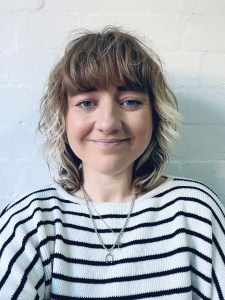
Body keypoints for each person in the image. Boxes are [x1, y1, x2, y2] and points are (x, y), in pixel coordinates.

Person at [0, 26, 224, 300]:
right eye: (86, 103)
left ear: (155, 115)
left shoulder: (196, 211)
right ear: (63, 117)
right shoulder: (29, 221)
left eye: (130, 102)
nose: (107, 124)